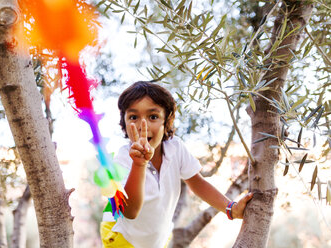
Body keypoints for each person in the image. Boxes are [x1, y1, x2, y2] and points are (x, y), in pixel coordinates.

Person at [100, 81, 253, 248]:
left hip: (157, 241)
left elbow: (197, 183)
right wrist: (139, 164)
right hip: (122, 238)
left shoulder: (176, 148)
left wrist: (231, 209)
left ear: (167, 121)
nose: (142, 125)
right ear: (124, 122)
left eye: (153, 117)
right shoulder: (122, 160)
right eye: (133, 117)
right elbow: (130, 212)